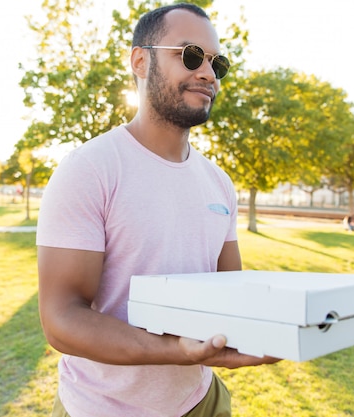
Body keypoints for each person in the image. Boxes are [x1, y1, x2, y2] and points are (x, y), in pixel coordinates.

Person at [36, 3, 278, 417]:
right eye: (189, 55)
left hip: (203, 400)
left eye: (216, 64)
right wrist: (176, 351)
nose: (206, 73)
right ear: (140, 60)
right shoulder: (90, 169)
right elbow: (62, 318)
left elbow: (228, 294)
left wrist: (291, 321)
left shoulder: (219, 182)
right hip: (103, 409)